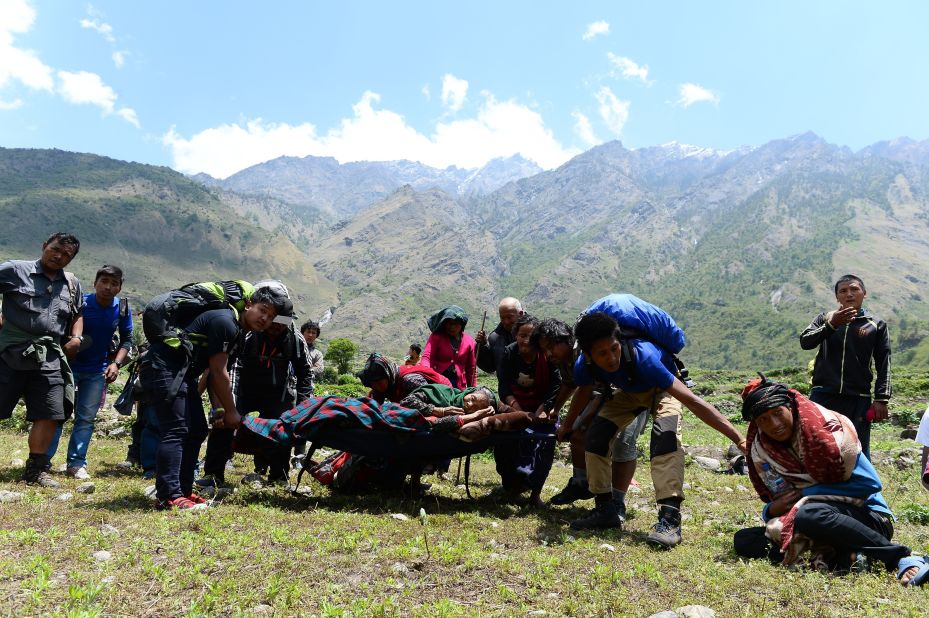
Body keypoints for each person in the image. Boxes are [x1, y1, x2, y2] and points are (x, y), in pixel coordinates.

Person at [567, 311, 746, 549]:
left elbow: (693, 401)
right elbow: (582, 391)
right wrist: (568, 425)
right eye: (602, 353)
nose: (611, 358)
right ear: (588, 355)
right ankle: (605, 510)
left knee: (665, 439)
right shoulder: (584, 366)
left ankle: (670, 520)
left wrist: (738, 438)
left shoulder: (644, 356)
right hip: (628, 392)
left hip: (663, 391)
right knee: (596, 437)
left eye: (614, 348)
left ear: (619, 341)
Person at [734, 375, 909, 572]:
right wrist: (772, 509)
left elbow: (871, 484)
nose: (774, 424)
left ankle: (896, 556)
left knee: (811, 514)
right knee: (744, 539)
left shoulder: (829, 438)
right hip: (815, 521)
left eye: (778, 413)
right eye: (764, 420)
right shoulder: (766, 451)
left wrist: (807, 494)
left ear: (790, 407)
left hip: (867, 518)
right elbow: (782, 500)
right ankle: (843, 558)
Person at [141, 285, 289, 510]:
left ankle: (183, 491)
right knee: (177, 430)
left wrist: (219, 409)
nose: (265, 319)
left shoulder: (239, 333)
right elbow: (220, 372)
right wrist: (231, 411)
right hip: (164, 368)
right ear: (248, 304)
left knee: (198, 429)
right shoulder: (225, 321)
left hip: (182, 374)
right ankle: (168, 495)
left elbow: (212, 374)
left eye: (271, 317)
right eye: (262, 310)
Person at [533, 318, 646, 520]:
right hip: (606, 399)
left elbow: (598, 392)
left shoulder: (584, 355)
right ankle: (581, 484)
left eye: (551, 347)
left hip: (633, 393)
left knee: (623, 443)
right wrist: (557, 410)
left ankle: (617, 503)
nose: (549, 354)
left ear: (565, 339)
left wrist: (575, 423)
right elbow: (569, 384)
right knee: (579, 436)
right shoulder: (564, 361)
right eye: (545, 351)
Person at [202, 287, 311, 487]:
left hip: (277, 392)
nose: (276, 327)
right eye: (274, 321)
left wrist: (303, 408)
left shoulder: (296, 340)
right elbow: (233, 366)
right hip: (244, 387)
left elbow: (305, 373)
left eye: (282, 323)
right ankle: (213, 474)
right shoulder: (248, 334)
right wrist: (230, 403)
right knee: (225, 423)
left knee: (282, 428)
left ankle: (279, 476)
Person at [0, 233, 84, 487]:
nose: (58, 256)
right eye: (55, 249)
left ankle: (36, 471)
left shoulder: (71, 283)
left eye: (66, 255)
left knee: (49, 413)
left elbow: (78, 313)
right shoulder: (15, 270)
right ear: (44, 246)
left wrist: (77, 338)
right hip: (10, 353)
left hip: (49, 357)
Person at [46, 265, 132, 479]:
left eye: (114, 283)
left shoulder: (121, 308)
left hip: (96, 371)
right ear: (95, 283)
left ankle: (76, 464)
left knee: (86, 419)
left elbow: (127, 339)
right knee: (57, 415)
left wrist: (117, 364)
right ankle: (43, 460)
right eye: (104, 281)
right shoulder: (81, 303)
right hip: (68, 368)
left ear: (120, 287)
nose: (108, 287)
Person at [800, 274, 890, 458]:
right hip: (823, 395)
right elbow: (805, 341)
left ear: (864, 293)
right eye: (843, 291)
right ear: (837, 297)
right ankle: (821, 485)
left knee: (858, 450)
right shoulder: (824, 318)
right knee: (819, 446)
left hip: (858, 398)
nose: (849, 294)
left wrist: (882, 398)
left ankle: (863, 486)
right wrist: (832, 325)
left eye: (854, 289)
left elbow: (884, 362)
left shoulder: (876, 325)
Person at [495, 314, 560, 505]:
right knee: (505, 444)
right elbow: (504, 385)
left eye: (531, 337)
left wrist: (543, 408)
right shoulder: (509, 353)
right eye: (521, 335)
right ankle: (513, 488)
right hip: (514, 407)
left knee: (544, 445)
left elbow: (556, 383)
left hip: (542, 409)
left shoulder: (546, 355)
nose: (525, 340)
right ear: (516, 335)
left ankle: (535, 493)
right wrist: (519, 412)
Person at [357, 352, 451, 405]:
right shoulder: (380, 386)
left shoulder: (410, 380)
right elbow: (375, 406)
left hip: (443, 394)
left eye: (379, 381)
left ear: (388, 375)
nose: (376, 386)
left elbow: (430, 399)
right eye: (372, 383)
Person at [421, 305, 476, 389]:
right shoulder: (436, 337)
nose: (452, 327)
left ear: (462, 325)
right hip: (437, 382)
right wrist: (427, 373)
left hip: (458, 386)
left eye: (456, 324)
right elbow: (426, 357)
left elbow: (471, 369)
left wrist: (472, 389)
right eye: (449, 323)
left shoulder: (469, 342)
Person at [475, 297, 523, 374]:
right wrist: (483, 346)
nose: (506, 322)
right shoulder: (495, 338)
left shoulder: (533, 333)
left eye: (509, 317)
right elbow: (489, 367)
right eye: (502, 318)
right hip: (505, 385)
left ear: (520, 314)